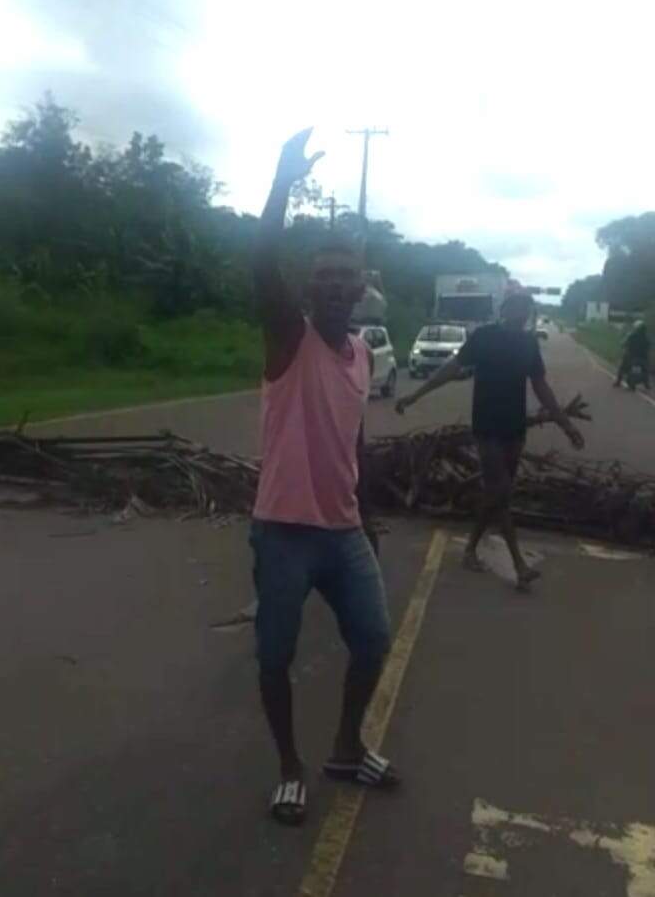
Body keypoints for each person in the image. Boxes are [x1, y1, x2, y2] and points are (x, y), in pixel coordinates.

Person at [251, 129, 398, 826]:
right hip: (283, 531)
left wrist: (366, 511)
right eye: (326, 274)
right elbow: (259, 263)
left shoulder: (365, 355)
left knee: (373, 640)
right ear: (311, 287)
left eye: (350, 274)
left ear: (363, 285)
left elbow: (353, 437)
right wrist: (282, 182)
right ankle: (289, 767)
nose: (338, 283)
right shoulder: (290, 336)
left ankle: (345, 748)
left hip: (342, 532)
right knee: (275, 655)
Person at [396, 292, 585, 589]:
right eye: (515, 305)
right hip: (487, 427)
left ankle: (470, 549)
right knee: (501, 491)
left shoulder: (528, 344)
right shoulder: (484, 337)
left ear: (528, 312)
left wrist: (566, 425)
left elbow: (541, 387)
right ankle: (519, 565)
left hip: (514, 427)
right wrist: (416, 394)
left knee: (497, 495)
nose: (520, 311)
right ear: (504, 309)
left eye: (525, 307)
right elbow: (451, 368)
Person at [614, 320, 651, 389]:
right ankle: (646, 383)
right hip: (643, 358)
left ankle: (618, 381)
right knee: (646, 369)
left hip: (632, 357)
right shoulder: (646, 337)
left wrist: (623, 346)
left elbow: (623, 343)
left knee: (622, 367)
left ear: (636, 328)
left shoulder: (631, 335)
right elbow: (649, 348)